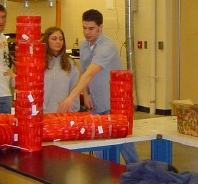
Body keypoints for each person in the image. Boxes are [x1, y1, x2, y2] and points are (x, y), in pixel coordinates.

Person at [57, 9, 139, 164]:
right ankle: (104, 174)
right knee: (100, 147)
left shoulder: (107, 47)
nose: (87, 32)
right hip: (96, 105)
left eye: (91, 28)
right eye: (84, 28)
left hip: (114, 106)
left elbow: (90, 73)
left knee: (126, 147)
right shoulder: (84, 45)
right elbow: (83, 71)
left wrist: (71, 98)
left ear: (100, 27)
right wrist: (86, 94)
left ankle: (139, 172)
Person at [42, 26, 80, 113]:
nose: (58, 42)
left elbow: (74, 89)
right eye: (54, 39)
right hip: (43, 114)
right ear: (47, 41)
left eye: (61, 39)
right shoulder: (39, 63)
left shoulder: (70, 64)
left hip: (64, 115)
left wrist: (72, 110)